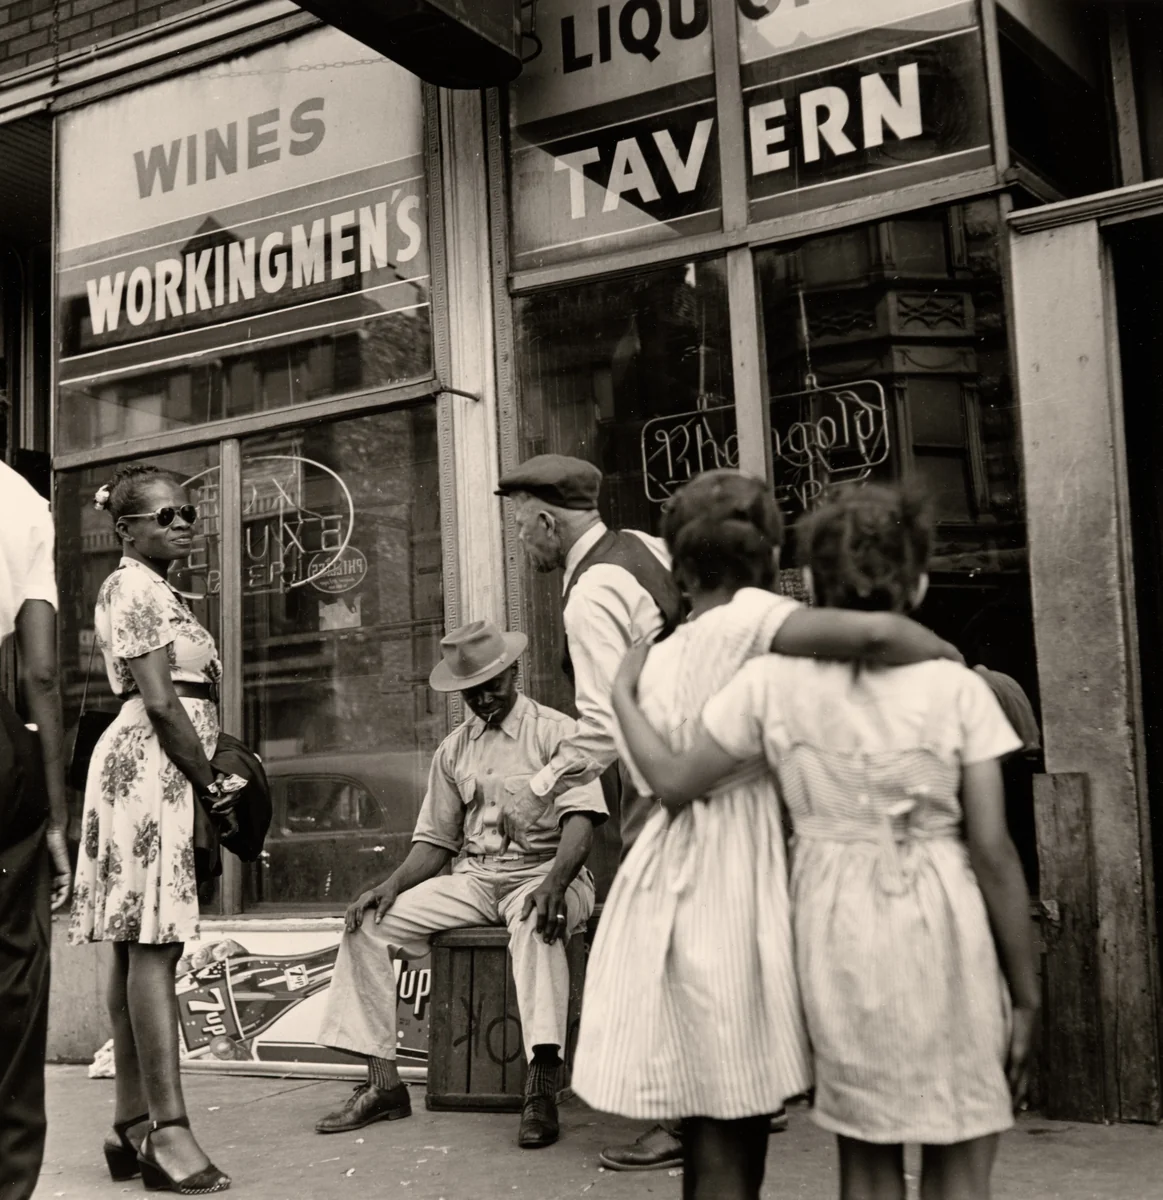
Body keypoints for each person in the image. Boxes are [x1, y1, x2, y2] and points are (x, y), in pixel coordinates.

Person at [498, 456, 963, 1173]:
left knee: (699, 973)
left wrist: (539, 785)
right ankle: (743, 1095)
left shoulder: (596, 596)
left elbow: (602, 727)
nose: (518, 542)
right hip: (735, 778)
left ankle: (695, 1114)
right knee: (738, 972)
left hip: (678, 790)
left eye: (518, 526)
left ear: (541, 520)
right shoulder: (641, 550)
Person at [613, 483, 1039, 1200]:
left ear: (807, 581)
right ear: (920, 580)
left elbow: (677, 779)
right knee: (961, 1148)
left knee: (866, 1159)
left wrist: (622, 696)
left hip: (834, 935)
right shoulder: (958, 687)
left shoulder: (771, 684)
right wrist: (1026, 996)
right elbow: (993, 852)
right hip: (944, 926)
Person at [314, 619, 607, 1150]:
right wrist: (391, 885)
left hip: (547, 872)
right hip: (476, 878)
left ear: (513, 673)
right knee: (368, 926)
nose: (484, 699)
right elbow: (436, 842)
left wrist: (555, 885)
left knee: (538, 920)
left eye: (493, 686)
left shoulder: (556, 732)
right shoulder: (455, 749)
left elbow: (581, 822)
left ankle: (541, 1084)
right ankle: (384, 1085)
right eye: (472, 692)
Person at [69, 463, 231, 1196]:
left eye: (187, 513)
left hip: (159, 766)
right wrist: (210, 784)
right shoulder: (131, 585)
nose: (181, 524)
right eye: (164, 516)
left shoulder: (157, 589)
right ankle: (167, 1129)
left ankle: (131, 1122)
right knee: (153, 943)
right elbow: (164, 702)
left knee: (140, 941)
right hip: (153, 767)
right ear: (125, 528)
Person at [0, 460, 71, 1200]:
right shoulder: (20, 500)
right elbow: (41, 673)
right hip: (2, 756)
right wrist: (55, 813)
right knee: (16, 972)